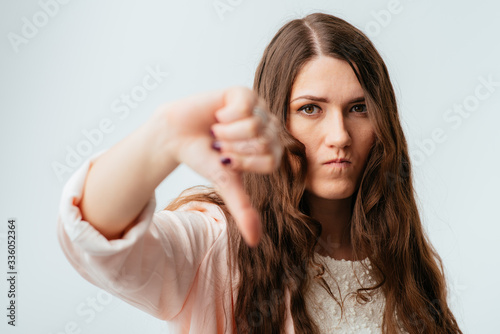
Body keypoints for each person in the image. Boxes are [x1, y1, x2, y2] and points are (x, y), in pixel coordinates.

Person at [56, 12, 462, 334]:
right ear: (274, 121)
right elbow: (95, 235)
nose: (339, 136)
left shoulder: (402, 259)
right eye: (310, 109)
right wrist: (162, 137)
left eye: (358, 108)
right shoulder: (218, 245)